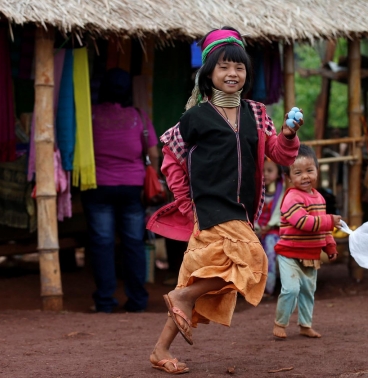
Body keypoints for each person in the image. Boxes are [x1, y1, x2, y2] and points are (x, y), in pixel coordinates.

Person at [147, 27, 301, 374]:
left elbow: (279, 154)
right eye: (224, 67)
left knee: (194, 279)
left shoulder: (257, 113)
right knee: (256, 261)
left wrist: (289, 135)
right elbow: (171, 158)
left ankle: (160, 349)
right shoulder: (195, 117)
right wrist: (187, 204)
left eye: (240, 68)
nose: (233, 74)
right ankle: (183, 299)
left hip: (242, 208)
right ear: (208, 73)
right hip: (211, 208)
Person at [81, 68, 159, 313]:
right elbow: (154, 155)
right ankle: (137, 300)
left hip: (98, 187)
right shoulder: (139, 116)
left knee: (102, 243)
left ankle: (104, 301)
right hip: (132, 188)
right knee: (133, 242)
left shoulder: (89, 116)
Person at [272, 144, 342, 339]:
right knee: (291, 289)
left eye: (309, 170)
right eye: (298, 172)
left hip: (310, 255)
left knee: (308, 291)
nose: (305, 176)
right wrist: (329, 220)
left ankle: (305, 324)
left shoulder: (319, 198)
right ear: (289, 177)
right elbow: (303, 222)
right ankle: (280, 322)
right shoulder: (291, 198)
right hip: (289, 254)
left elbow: (322, 228)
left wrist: (330, 245)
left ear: (317, 171)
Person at [254, 158, 285, 297]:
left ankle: (268, 288)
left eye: (270, 170)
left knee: (270, 250)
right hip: (255, 230)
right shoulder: (254, 189)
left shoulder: (283, 191)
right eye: (263, 170)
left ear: (278, 173)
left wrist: (269, 226)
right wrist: (257, 227)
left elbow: (280, 213)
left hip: (274, 231)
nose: (265, 174)